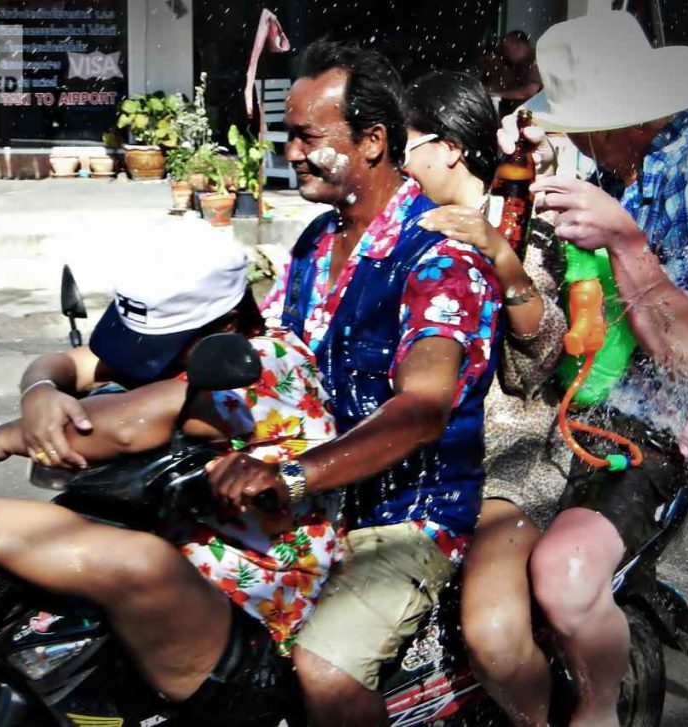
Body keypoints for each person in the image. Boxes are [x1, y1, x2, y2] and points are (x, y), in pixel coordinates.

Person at [0, 233, 340, 726]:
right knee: (78, 531)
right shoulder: (195, 352)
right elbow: (66, 363)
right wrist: (40, 396)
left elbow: (119, 428)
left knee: (134, 562)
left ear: (221, 329)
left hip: (251, 626)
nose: (144, 362)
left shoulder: (264, 366)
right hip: (179, 572)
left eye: (164, 347)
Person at [214, 40, 503, 727]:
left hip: (406, 516)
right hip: (318, 503)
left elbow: (422, 409)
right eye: (287, 136)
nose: (292, 151)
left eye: (307, 136)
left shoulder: (439, 255)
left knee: (323, 671)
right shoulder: (317, 239)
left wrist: (290, 476)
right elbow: (268, 355)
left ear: (373, 141)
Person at [500, 12, 688, 727]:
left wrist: (627, 243)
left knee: (565, 579)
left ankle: (600, 712)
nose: (571, 136)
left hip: (651, 415)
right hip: (582, 398)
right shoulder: (618, 164)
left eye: (580, 122)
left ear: (621, 119)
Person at [404, 71, 568, 727]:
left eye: (404, 143)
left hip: (510, 453)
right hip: (414, 449)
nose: (391, 159)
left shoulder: (521, 219)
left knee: (495, 635)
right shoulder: (400, 222)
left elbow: (538, 359)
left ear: (446, 147)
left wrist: (499, 254)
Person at [485, 30, 543, 118]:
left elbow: (528, 92)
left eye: (507, 50)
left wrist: (495, 94)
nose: (506, 54)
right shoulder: (521, 65)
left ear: (518, 45)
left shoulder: (538, 59)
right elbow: (510, 87)